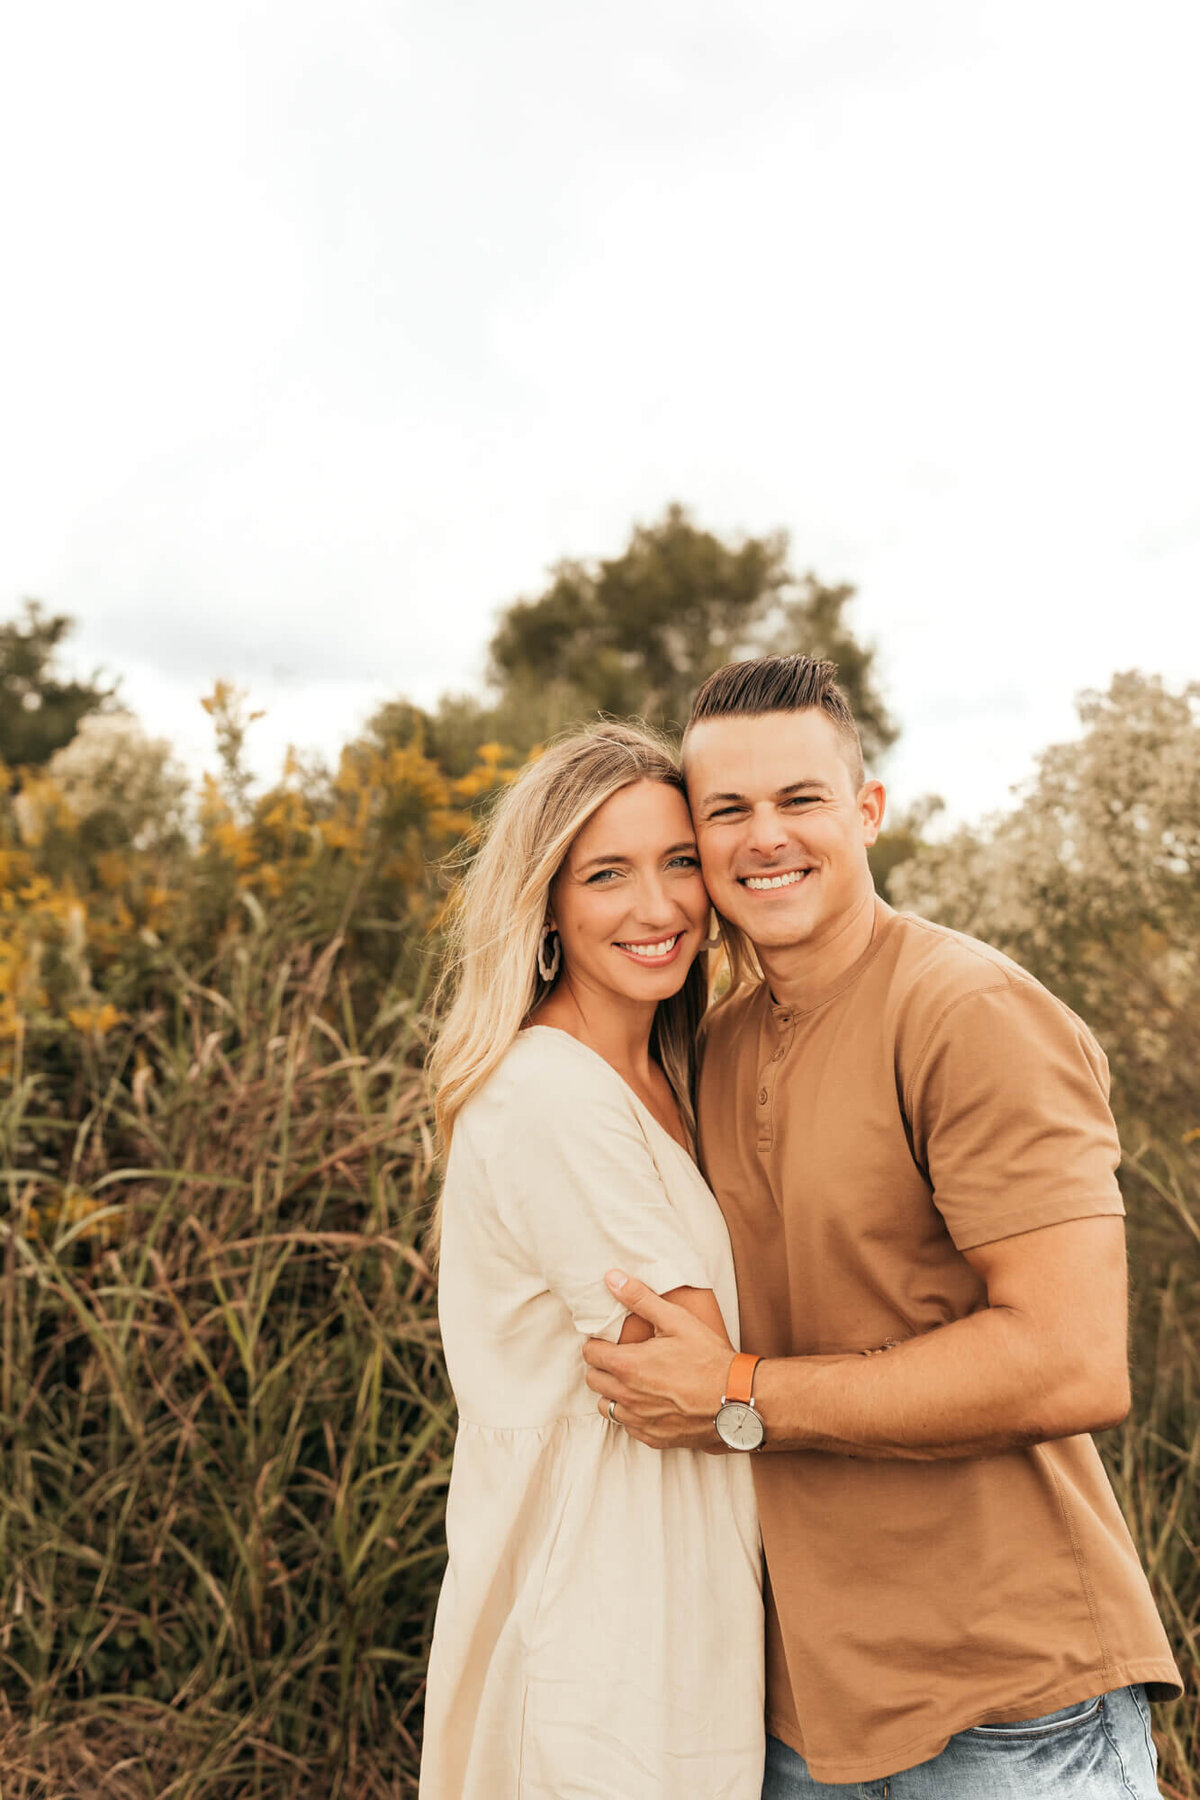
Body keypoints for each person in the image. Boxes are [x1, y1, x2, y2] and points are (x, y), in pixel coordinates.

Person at [584, 656, 1181, 1799]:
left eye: (800, 800)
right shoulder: (713, 1042)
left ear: (866, 812)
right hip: (794, 1709)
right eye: (728, 811)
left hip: (1005, 1705)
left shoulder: (972, 1013)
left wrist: (737, 1392)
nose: (766, 838)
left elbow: (1071, 1361)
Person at [418, 722, 764, 1800]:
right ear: (550, 903)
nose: (658, 908)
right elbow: (694, 1374)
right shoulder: (551, 1092)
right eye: (607, 873)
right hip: (598, 1622)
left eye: (678, 864)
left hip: (673, 1600)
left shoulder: (665, 1075)